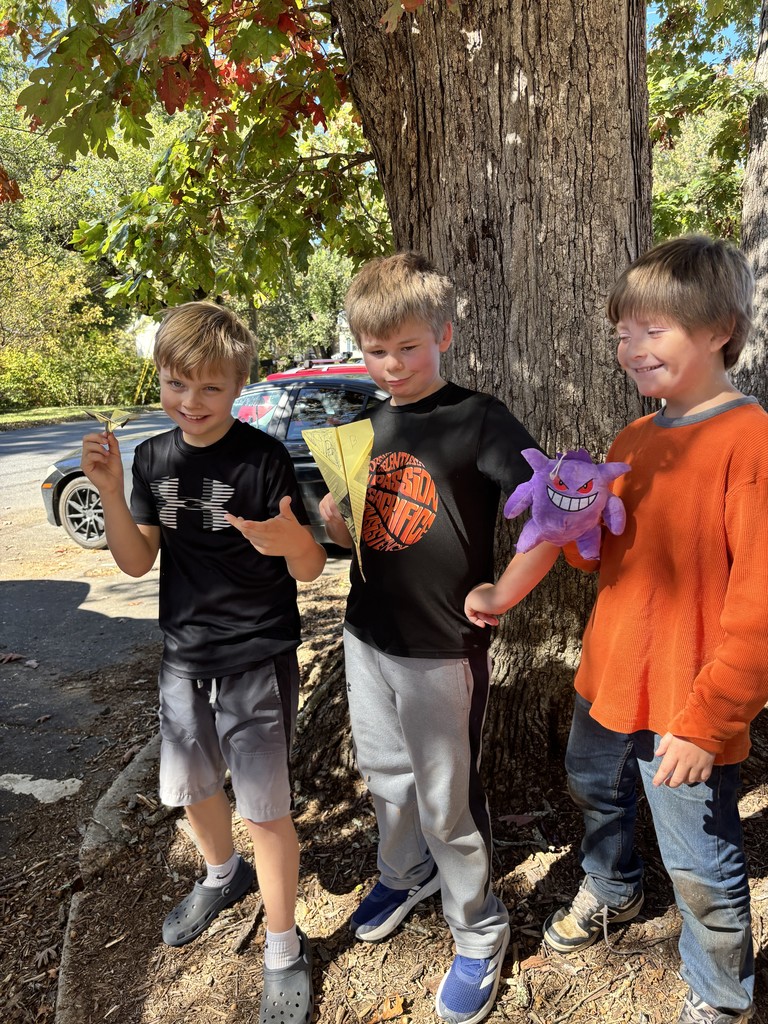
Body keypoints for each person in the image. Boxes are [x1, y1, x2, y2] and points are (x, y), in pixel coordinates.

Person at [465, 235, 768, 1024]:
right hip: (609, 680)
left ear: (719, 329)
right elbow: (608, 565)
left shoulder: (752, 442)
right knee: (593, 786)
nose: (629, 346)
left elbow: (760, 606)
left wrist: (710, 721)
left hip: (686, 705)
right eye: (621, 331)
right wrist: (575, 522)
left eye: (652, 328)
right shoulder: (634, 441)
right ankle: (615, 885)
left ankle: (721, 993)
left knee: (700, 859)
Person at [319, 252, 555, 1024]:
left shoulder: (476, 417)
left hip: (442, 647)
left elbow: (558, 503)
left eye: (408, 347)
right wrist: (334, 518)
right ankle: (402, 869)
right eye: (375, 350)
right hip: (367, 635)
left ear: (444, 334)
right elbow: (358, 521)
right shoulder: (366, 420)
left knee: (449, 800)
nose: (391, 365)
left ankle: (479, 927)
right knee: (386, 775)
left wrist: (507, 589)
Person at [81, 301, 326, 1024]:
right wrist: (107, 491)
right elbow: (133, 560)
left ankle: (283, 946)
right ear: (160, 377)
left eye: (211, 388)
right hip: (183, 653)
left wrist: (288, 541)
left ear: (239, 387)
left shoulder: (263, 458)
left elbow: (310, 567)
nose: (191, 402)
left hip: (256, 652)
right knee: (190, 783)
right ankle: (223, 874)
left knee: (266, 806)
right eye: (176, 383)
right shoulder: (154, 458)